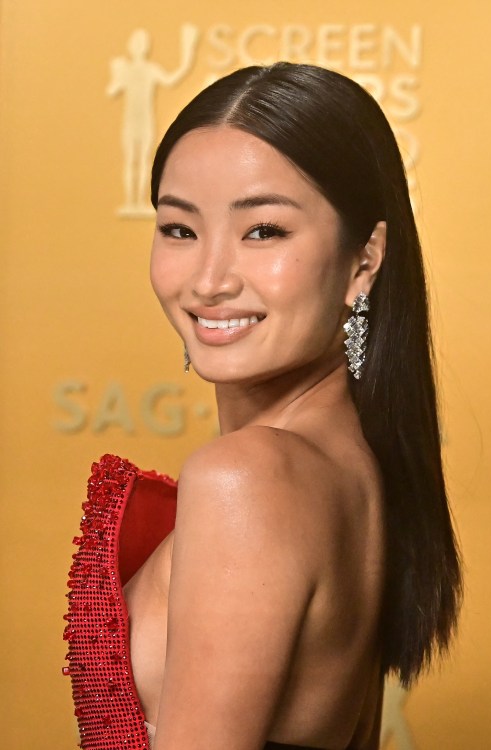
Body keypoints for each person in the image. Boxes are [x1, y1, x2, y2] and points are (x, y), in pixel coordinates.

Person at [64, 63, 462, 750]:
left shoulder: (247, 478)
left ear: (364, 261)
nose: (210, 280)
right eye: (180, 230)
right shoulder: (351, 467)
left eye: (264, 232)